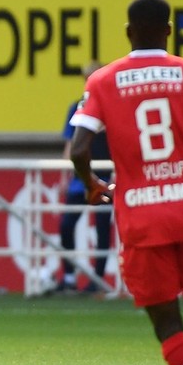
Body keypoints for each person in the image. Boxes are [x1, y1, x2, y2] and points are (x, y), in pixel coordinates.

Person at [69, 0, 183, 365]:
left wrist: (92, 184)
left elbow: (78, 149)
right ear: (170, 31)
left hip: (142, 216)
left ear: (128, 32)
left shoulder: (104, 81)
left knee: (167, 321)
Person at [56, 60, 113, 294]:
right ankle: (69, 277)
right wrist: (63, 172)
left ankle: (97, 282)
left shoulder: (114, 105)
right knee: (67, 225)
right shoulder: (76, 106)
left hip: (106, 176)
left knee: (102, 228)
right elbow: (71, 143)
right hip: (80, 177)